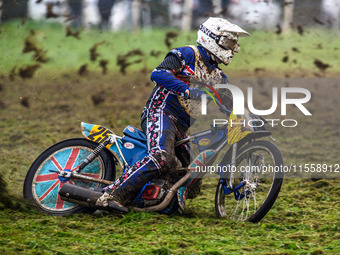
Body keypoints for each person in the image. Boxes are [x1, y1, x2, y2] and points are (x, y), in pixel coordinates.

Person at [96, 17, 250, 212]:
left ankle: (150, 197)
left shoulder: (219, 77)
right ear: (211, 38)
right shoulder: (186, 54)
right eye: (228, 42)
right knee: (161, 156)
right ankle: (111, 194)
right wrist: (186, 90)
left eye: (234, 44)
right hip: (159, 112)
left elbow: (229, 103)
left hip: (181, 128)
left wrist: (246, 115)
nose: (232, 48)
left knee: (191, 179)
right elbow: (158, 74)